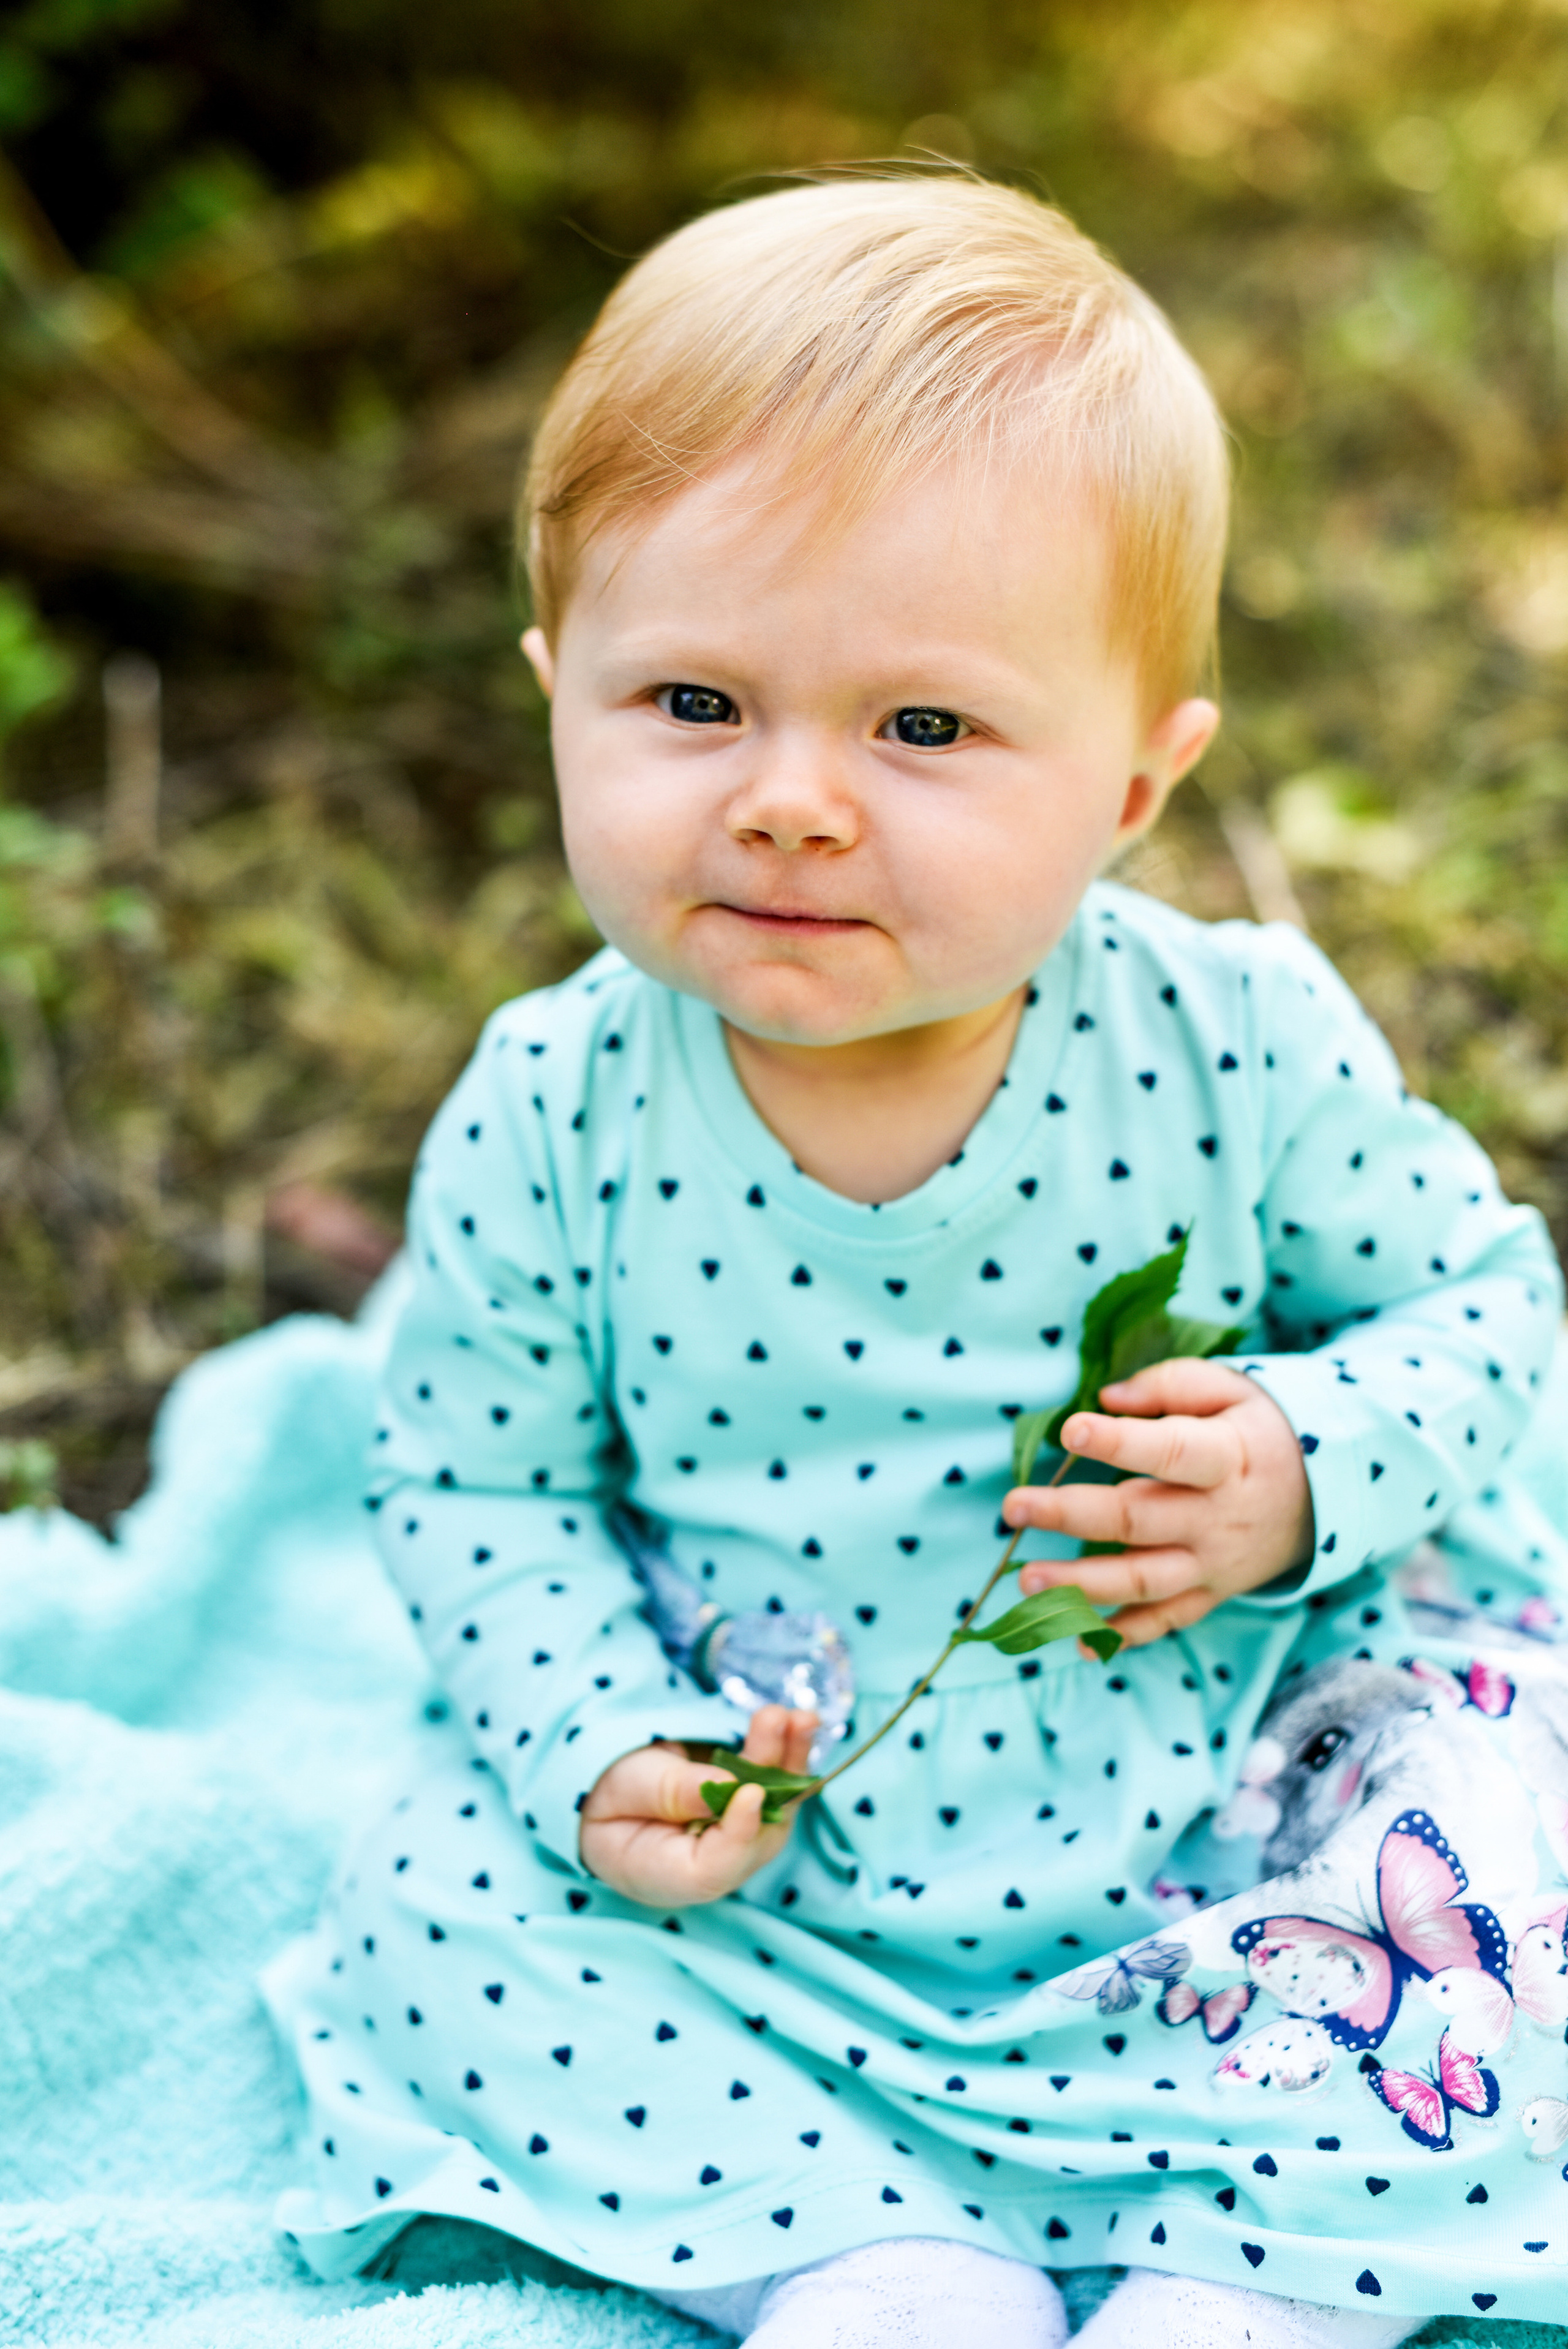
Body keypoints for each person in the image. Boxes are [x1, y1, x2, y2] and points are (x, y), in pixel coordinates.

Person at [262, 175, 1568, 2347]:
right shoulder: (554, 1103)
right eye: (690, 700)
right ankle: (866, 2258)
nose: (788, 801)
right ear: (552, 689)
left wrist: (1305, 1455)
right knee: (443, 1895)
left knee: (1479, 1849)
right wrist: (603, 1744)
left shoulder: (1231, 1043)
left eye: (925, 729)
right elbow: (477, 1489)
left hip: (1224, 1791)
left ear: (1137, 786)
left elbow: (1490, 1312)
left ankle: (1250, 2277)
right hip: (780, 1839)